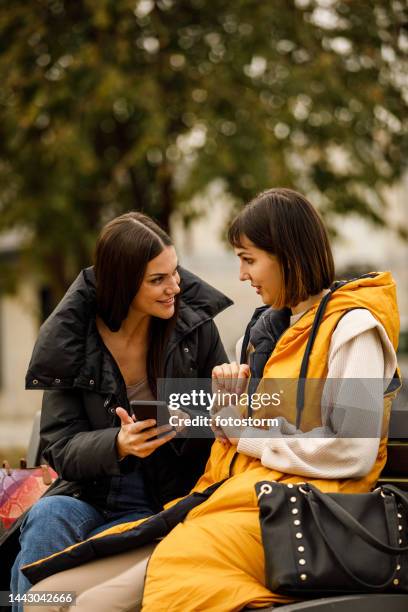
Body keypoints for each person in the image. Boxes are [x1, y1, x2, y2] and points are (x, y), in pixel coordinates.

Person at [24, 189, 401, 612]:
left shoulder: (356, 330)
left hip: (300, 515)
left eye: (249, 258)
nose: (241, 274)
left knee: (92, 605)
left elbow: (354, 449)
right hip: (228, 503)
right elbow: (245, 426)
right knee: (41, 597)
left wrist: (243, 433)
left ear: (287, 255)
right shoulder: (262, 333)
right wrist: (227, 405)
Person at [9, 211, 232, 608]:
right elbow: (59, 446)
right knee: (46, 518)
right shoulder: (71, 338)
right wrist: (117, 443)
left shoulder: (194, 329)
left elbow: (221, 417)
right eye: (158, 280)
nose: (175, 288)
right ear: (123, 283)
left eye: (175, 273)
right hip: (90, 492)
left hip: (164, 497)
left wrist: (219, 400)